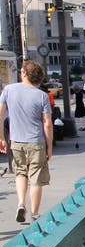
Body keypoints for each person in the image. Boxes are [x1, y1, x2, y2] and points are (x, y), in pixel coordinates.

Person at [0, 59, 53, 223]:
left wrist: (1, 137)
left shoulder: (8, 90)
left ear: (24, 73)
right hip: (36, 142)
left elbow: (0, 115)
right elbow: (48, 124)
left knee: (20, 173)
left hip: (16, 141)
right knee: (36, 178)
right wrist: (49, 146)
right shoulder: (42, 96)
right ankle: (35, 213)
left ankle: (21, 203)